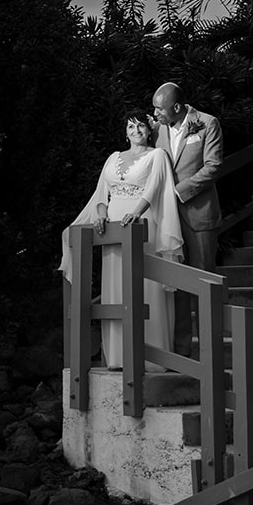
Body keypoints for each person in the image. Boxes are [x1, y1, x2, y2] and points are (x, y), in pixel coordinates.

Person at [60, 111, 182, 368]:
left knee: (145, 283)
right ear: (124, 132)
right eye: (130, 126)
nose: (135, 130)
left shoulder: (157, 155)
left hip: (141, 222)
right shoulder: (113, 158)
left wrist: (135, 213)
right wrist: (101, 216)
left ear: (149, 130)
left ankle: (152, 357)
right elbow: (102, 193)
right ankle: (117, 356)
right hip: (112, 229)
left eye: (140, 126)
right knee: (116, 285)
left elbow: (154, 188)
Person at [151, 81, 223, 272]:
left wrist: (177, 192)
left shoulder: (207, 123)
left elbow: (213, 167)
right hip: (167, 218)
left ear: (176, 107)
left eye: (159, 109)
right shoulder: (157, 129)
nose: (155, 114)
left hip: (198, 213)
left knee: (203, 274)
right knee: (176, 280)